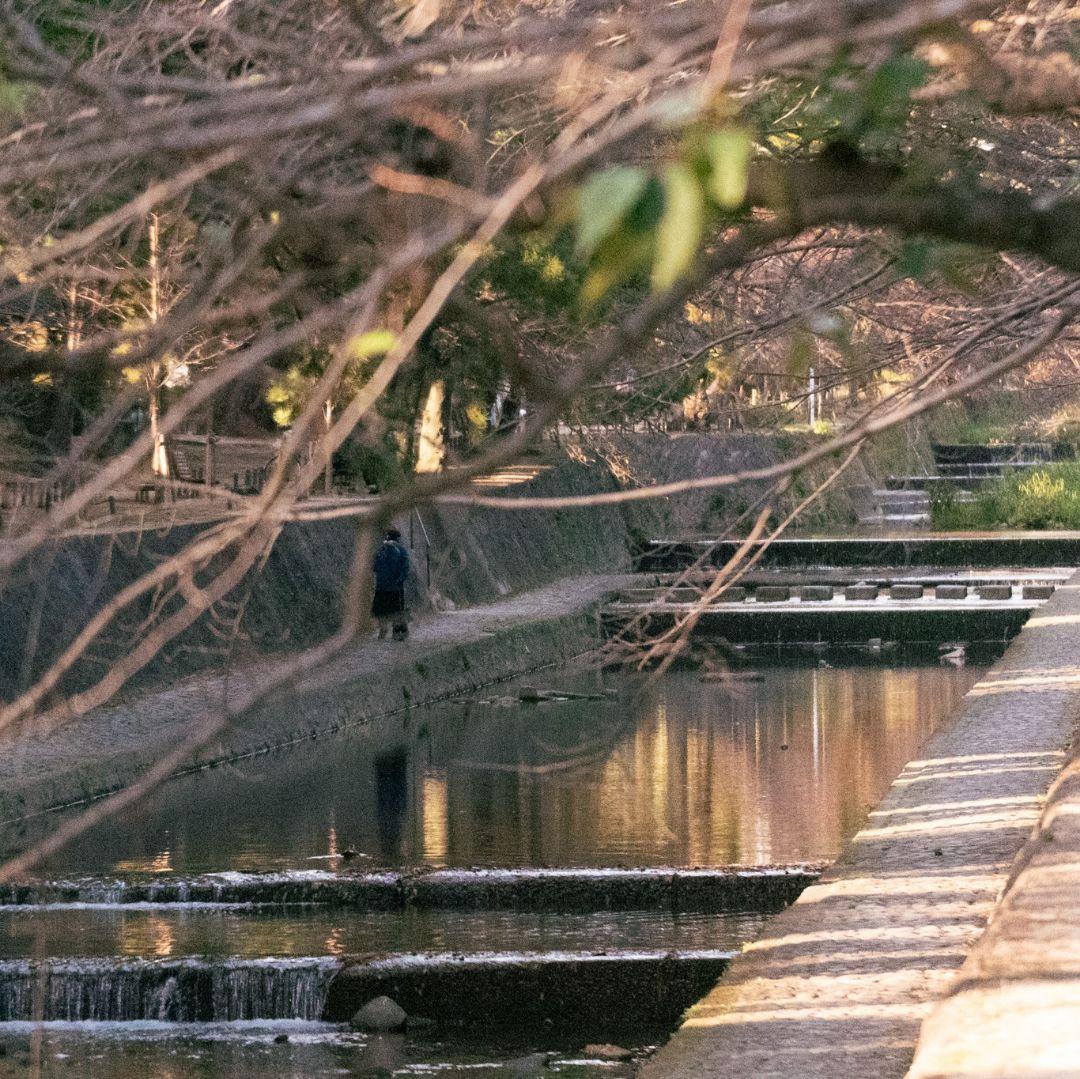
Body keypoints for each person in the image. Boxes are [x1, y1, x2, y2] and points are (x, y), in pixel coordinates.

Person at [372, 528, 410, 640]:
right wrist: (399, 580)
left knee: (381, 609)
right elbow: (405, 568)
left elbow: (374, 567)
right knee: (397, 610)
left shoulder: (381, 551)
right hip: (394, 586)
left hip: (381, 585)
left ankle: (384, 629)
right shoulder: (401, 550)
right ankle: (399, 632)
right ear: (398, 538)